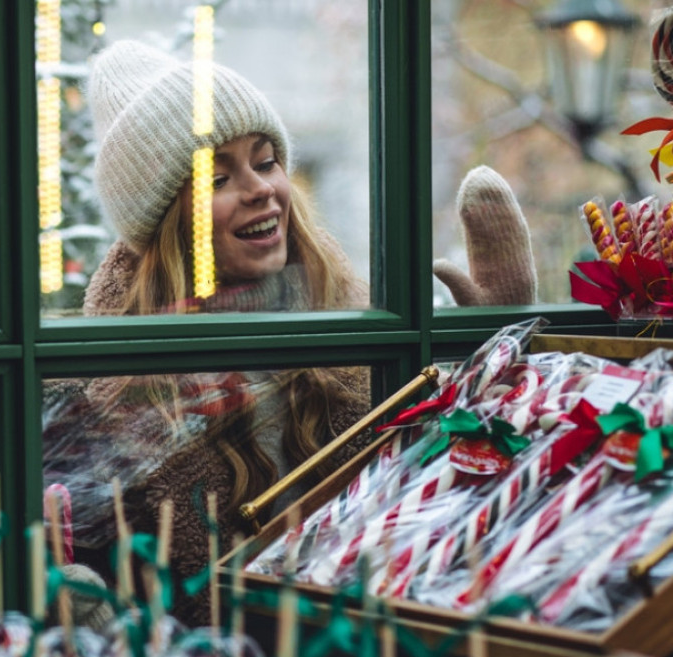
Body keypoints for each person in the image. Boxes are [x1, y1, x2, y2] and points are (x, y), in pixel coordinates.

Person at [44, 40, 538, 626]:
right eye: (218, 177)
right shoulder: (107, 397)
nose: (261, 188)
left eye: (266, 159)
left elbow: (453, 484)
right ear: (166, 221)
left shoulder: (357, 329)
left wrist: (497, 356)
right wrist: (110, 630)